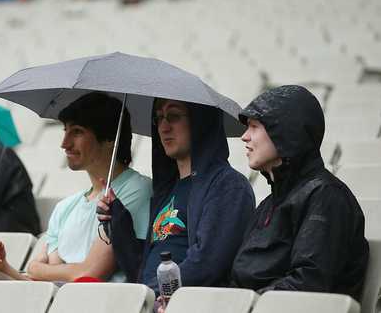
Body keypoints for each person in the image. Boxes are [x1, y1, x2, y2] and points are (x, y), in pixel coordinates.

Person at [0, 93, 152, 285]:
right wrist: (5, 267)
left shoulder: (136, 189)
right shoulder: (65, 207)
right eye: (65, 131)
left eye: (77, 132)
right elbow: (42, 281)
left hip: (92, 302)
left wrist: (38, 268)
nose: (64, 143)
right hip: (53, 300)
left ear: (110, 139)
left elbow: (88, 274)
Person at [98, 98, 254, 310]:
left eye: (173, 116)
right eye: (159, 118)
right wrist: (118, 221)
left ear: (200, 122)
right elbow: (139, 270)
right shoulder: (166, 190)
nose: (163, 126)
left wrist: (157, 296)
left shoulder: (228, 185)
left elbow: (208, 264)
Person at [229, 85, 369, 300]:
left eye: (255, 126)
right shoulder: (269, 203)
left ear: (286, 133)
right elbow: (240, 278)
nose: (244, 137)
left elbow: (309, 283)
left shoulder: (326, 197)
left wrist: (247, 306)